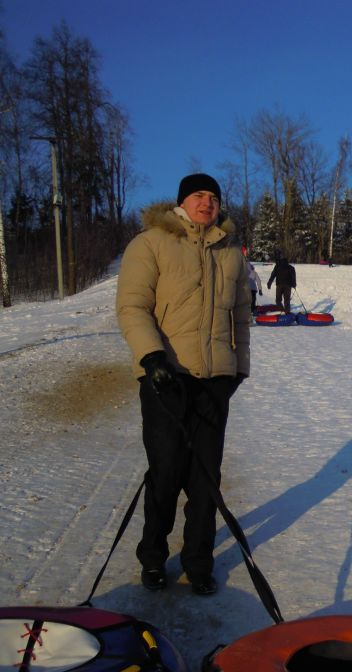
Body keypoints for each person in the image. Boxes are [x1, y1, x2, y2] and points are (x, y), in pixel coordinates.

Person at [116, 173, 251, 596]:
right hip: (166, 379)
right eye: (198, 195)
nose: (207, 203)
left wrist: (238, 370)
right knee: (166, 473)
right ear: (181, 202)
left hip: (215, 382)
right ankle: (153, 558)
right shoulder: (150, 243)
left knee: (205, 478)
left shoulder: (231, 252)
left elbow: (241, 317)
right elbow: (132, 307)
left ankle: (198, 563)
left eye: (214, 197)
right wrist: (152, 357)